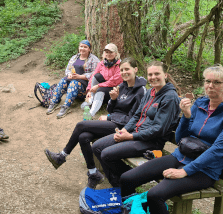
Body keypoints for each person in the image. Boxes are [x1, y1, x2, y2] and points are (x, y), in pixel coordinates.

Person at [119, 64, 223, 214]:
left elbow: (218, 150)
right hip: (179, 156)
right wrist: (186, 115)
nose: (210, 86)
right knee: (126, 178)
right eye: (208, 81)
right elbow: (180, 138)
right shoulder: (200, 103)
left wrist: (184, 171)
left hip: (205, 170)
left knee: (155, 195)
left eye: (217, 82)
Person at [44, 58, 147, 189]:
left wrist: (109, 118)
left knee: (81, 125)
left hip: (124, 128)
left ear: (135, 69)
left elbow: (134, 118)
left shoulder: (141, 91)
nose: (124, 72)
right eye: (121, 70)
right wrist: (114, 100)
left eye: (127, 69)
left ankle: (62, 156)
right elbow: (111, 108)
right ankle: (93, 173)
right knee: (83, 137)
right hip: (114, 121)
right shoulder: (122, 86)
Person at [92, 61, 181, 187]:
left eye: (157, 73)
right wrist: (125, 130)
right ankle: (123, 182)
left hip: (151, 142)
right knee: (97, 146)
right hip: (135, 135)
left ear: (165, 75)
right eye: (150, 74)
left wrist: (130, 137)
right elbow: (137, 116)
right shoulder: (150, 92)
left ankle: (126, 182)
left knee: (106, 154)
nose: (153, 77)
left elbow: (158, 129)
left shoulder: (170, 97)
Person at [46, 40, 100, 118]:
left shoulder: (94, 60)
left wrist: (80, 77)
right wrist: (69, 74)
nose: (83, 48)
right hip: (73, 85)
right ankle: (54, 102)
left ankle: (66, 106)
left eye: (85, 47)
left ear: (89, 49)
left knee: (74, 83)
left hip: (85, 89)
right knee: (63, 81)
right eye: (81, 46)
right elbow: (67, 70)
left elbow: (95, 74)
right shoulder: (75, 57)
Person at [81, 43, 123, 117]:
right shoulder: (102, 63)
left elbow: (114, 81)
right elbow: (93, 76)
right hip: (104, 85)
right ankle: (91, 100)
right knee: (96, 76)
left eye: (111, 52)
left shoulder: (119, 65)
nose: (108, 54)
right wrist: (89, 90)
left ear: (116, 53)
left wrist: (98, 86)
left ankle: (91, 113)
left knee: (101, 90)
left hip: (116, 88)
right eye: (106, 52)